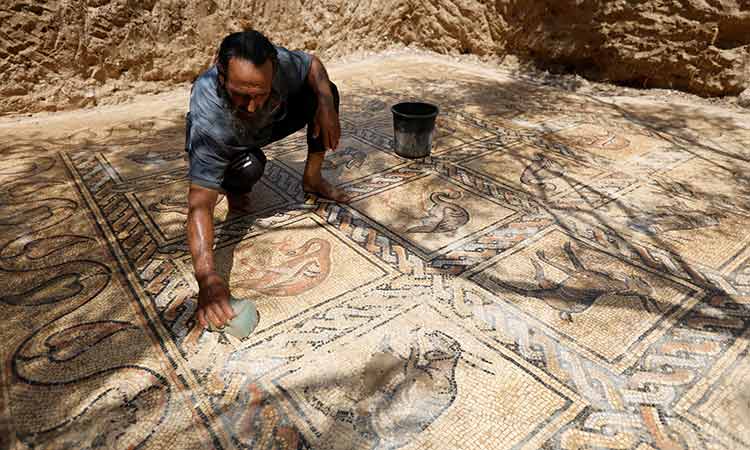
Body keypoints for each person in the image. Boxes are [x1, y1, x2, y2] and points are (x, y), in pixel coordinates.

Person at [185, 30, 349, 330]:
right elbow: (199, 203)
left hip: (267, 125)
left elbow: (313, 64)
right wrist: (207, 279)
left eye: (260, 93)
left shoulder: (279, 63)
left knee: (325, 91)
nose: (251, 105)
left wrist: (326, 105)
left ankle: (312, 179)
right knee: (250, 167)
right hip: (232, 139)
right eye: (241, 94)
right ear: (221, 74)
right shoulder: (208, 116)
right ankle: (233, 184)